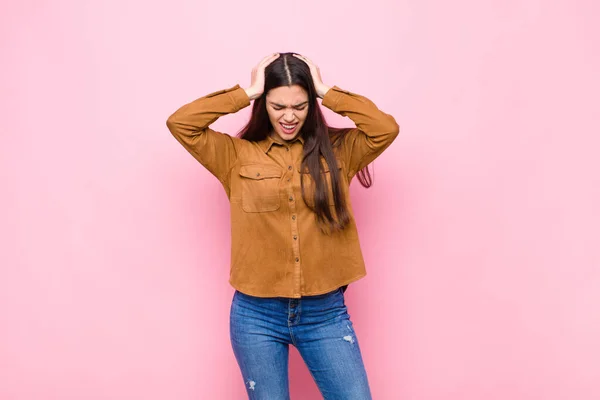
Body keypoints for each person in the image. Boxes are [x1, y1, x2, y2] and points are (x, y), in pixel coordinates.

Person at [166, 52, 399, 399]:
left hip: (325, 313)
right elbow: (180, 123)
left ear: (311, 105)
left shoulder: (340, 151)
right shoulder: (234, 155)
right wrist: (246, 92)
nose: (289, 117)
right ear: (264, 105)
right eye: (278, 107)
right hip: (256, 315)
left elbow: (385, 129)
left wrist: (325, 90)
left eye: (300, 106)